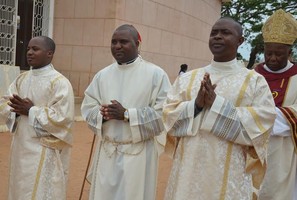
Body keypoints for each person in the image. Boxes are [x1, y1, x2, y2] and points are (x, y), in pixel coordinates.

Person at [162, 17, 276, 199]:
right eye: (214, 33)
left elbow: (264, 121)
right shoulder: (188, 78)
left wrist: (217, 105)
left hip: (231, 170)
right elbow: (168, 115)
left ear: (240, 41)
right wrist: (196, 105)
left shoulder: (254, 81)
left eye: (225, 33)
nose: (217, 37)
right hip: (188, 167)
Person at [81, 24, 171, 200]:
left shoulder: (155, 74)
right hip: (107, 151)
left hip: (138, 154)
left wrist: (127, 114)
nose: (117, 46)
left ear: (137, 44)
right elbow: (88, 106)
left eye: (123, 42)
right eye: (113, 42)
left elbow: (165, 113)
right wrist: (103, 115)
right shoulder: (102, 75)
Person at [0, 36, 75, 200]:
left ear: (49, 54)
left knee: (41, 190)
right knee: (20, 189)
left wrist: (31, 111)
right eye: (28, 49)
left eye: (35, 49)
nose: (30, 52)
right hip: (20, 146)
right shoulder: (21, 79)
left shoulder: (59, 83)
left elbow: (63, 119)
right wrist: (15, 109)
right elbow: (4, 104)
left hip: (43, 149)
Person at [254, 9, 297, 200]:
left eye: (278, 54)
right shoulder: (253, 76)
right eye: (268, 53)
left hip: (285, 152)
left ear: (289, 51)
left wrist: (258, 117)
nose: (272, 58)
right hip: (252, 148)